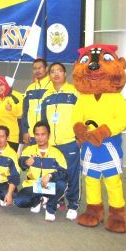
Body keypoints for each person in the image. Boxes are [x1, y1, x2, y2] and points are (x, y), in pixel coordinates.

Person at [41, 62, 80, 220]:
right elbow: (43, 121)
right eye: (52, 71)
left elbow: (81, 117)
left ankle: (73, 205)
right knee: (53, 174)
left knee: (72, 174)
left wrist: (79, 138)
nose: (56, 74)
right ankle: (56, 200)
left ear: (65, 74)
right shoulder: (46, 95)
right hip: (52, 144)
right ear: (49, 75)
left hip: (70, 142)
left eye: (59, 71)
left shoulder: (74, 92)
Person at [14, 121, 67, 222]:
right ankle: (38, 201)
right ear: (34, 136)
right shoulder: (29, 150)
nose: (40, 137)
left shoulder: (57, 153)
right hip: (33, 185)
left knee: (62, 184)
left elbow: (64, 173)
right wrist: (25, 162)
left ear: (49, 135)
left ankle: (50, 208)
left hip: (49, 185)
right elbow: (21, 163)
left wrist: (50, 175)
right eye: (37, 135)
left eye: (43, 134)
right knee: (19, 201)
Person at [21, 58, 51, 145]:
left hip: (48, 135)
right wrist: (25, 131)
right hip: (32, 135)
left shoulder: (53, 86)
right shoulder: (29, 88)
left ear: (46, 69)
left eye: (40, 68)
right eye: (35, 68)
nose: (37, 71)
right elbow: (25, 112)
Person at [0, 76, 23, 151]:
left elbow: (21, 114)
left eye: (1, 85)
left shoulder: (15, 96)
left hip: (11, 137)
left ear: (5, 84)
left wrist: (12, 109)